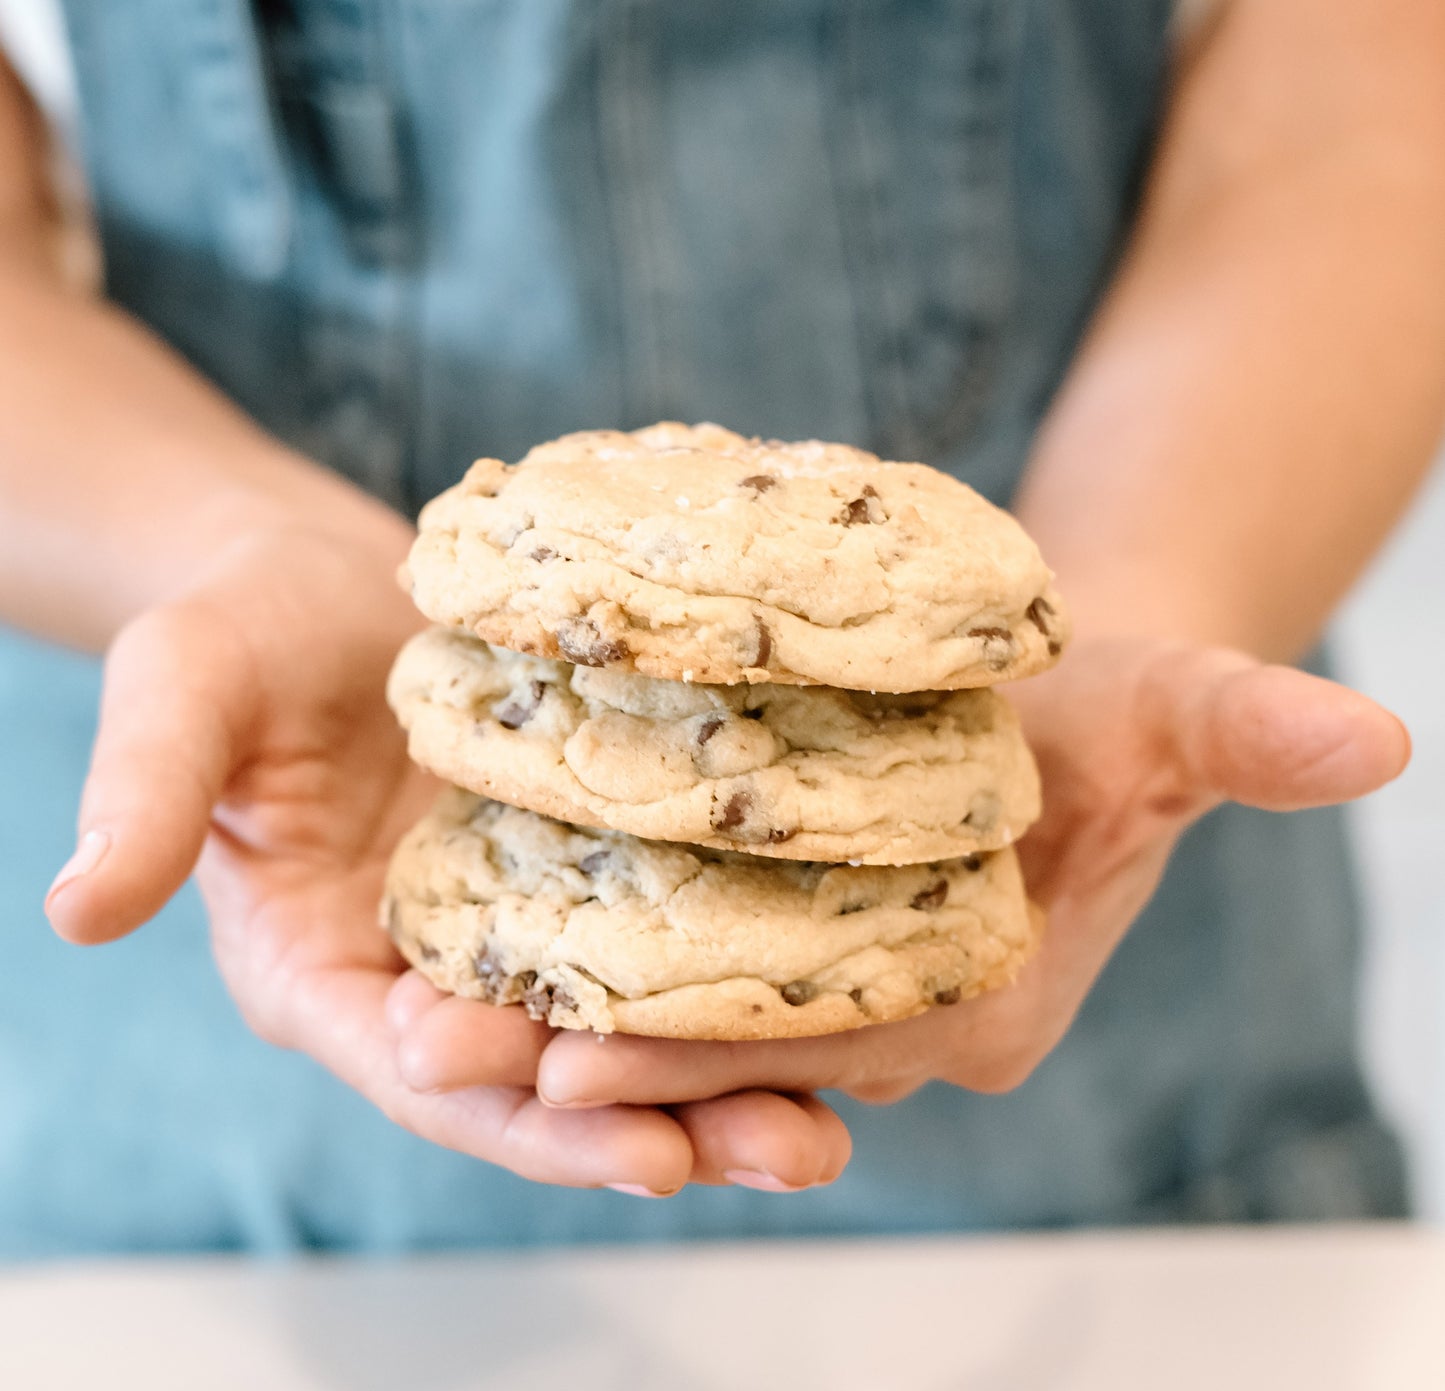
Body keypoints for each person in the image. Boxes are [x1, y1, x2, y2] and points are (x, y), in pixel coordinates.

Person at [1, 0, 1441, 1252]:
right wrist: (227, 545)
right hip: (208, 1086)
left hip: (1127, 1094)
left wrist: (1152, 585)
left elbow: (1355, 109)